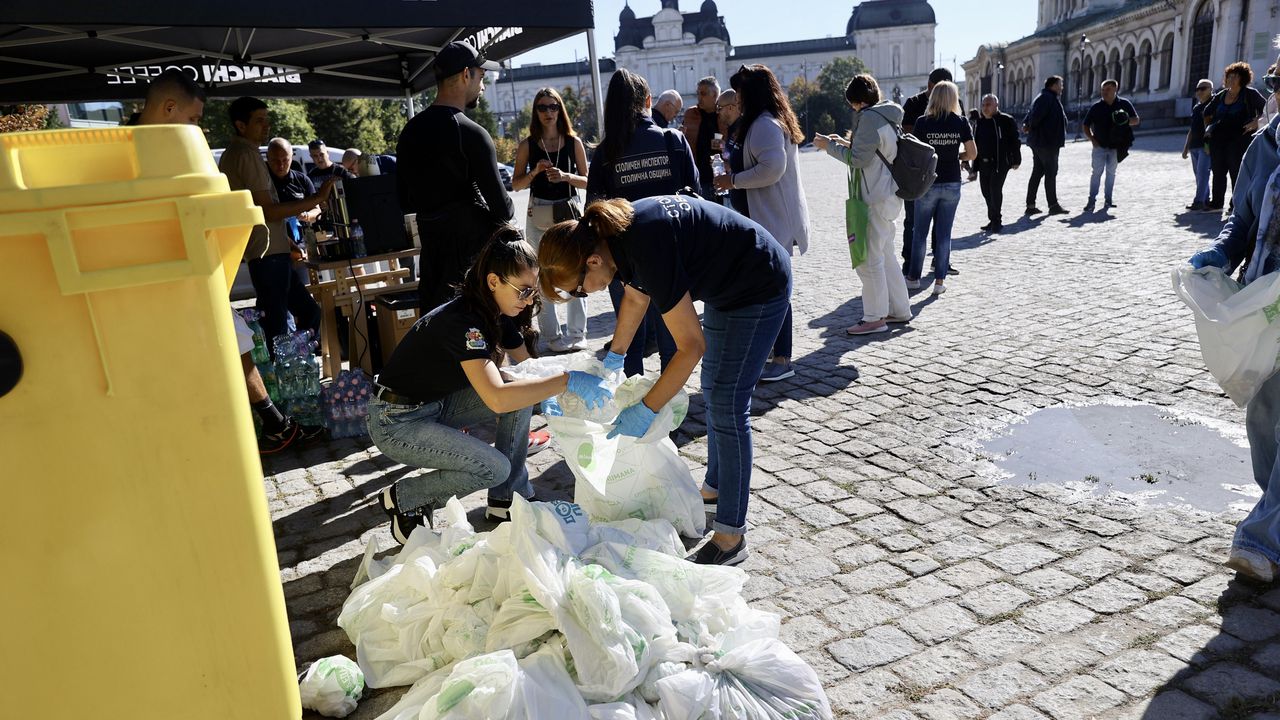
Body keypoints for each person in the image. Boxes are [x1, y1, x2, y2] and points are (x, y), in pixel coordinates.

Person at [537, 196, 791, 566]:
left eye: (578, 289)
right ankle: (715, 491)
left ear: (592, 261)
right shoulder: (617, 239)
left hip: (758, 283)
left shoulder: (643, 244)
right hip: (728, 285)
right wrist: (615, 358)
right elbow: (636, 300)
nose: (583, 294)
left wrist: (646, 408)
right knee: (717, 391)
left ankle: (731, 537)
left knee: (729, 404)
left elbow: (689, 346)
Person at [370, 231, 612, 540]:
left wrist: (545, 386)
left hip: (432, 405)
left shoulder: (489, 309)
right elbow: (497, 399)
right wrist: (565, 382)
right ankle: (405, 497)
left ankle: (506, 498)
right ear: (494, 281)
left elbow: (520, 373)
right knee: (494, 467)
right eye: (523, 291)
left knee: (521, 388)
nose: (529, 300)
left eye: (532, 292)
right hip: (395, 421)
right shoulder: (466, 323)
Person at [136, 71, 321, 453]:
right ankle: (263, 422)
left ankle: (269, 421)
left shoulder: (171, 150)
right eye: (193, 119)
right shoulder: (134, 148)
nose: (196, 129)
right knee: (241, 333)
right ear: (169, 108)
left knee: (236, 334)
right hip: (156, 276)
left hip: (187, 267)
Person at [1186, 111, 1280, 582]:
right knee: (1263, 416)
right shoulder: (1264, 146)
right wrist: (1222, 251)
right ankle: (1274, 508)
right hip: (1264, 302)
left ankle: (1263, 537)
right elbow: (1240, 218)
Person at [586, 68, 697, 377]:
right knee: (672, 342)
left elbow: (592, 212)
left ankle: (632, 409)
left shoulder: (605, 153)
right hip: (670, 258)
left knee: (628, 342)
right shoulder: (673, 140)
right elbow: (695, 201)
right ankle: (670, 413)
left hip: (623, 261)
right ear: (648, 101)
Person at [396, 40, 514, 312]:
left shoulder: (411, 131)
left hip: (432, 260)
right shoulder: (471, 133)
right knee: (480, 340)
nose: (483, 86)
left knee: (438, 338)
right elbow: (502, 208)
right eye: (481, 77)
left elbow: (405, 200)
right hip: (470, 266)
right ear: (465, 74)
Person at [713, 64, 808, 383]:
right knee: (766, 288)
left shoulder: (765, 124)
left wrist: (733, 180)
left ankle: (782, 358)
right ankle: (772, 351)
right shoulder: (760, 122)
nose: (736, 99)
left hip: (772, 221)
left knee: (775, 290)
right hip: (763, 219)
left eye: (739, 93)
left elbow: (772, 169)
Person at [218, 96, 334, 350]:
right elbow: (269, 211)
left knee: (306, 314)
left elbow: (264, 213)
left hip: (272, 252)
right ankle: (286, 378)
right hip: (266, 255)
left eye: (267, 120)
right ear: (240, 125)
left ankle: (296, 368)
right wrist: (316, 198)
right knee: (278, 330)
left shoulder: (242, 153)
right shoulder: (244, 154)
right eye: (259, 121)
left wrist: (288, 241)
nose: (266, 125)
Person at [813, 73, 912, 336]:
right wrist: (842, 143)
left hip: (875, 196)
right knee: (887, 254)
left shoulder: (869, 118)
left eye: (852, 104)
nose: (852, 109)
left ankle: (874, 317)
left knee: (870, 259)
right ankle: (900, 309)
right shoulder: (887, 115)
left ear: (857, 101)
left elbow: (858, 160)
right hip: (888, 193)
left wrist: (827, 147)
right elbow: (874, 152)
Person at [512, 87, 590, 353]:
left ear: (560, 109)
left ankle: (577, 333)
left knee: (578, 269)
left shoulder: (573, 142)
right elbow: (516, 185)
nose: (548, 112)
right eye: (542, 107)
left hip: (568, 211)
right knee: (542, 273)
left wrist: (566, 176)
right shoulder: (528, 144)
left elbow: (588, 179)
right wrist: (535, 172)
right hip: (539, 213)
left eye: (553, 106)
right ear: (535, 111)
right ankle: (552, 337)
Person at [908, 81, 975, 296]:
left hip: (928, 182)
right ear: (954, 98)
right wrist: (957, 156)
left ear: (933, 98)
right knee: (944, 234)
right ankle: (939, 281)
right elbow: (972, 153)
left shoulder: (922, 123)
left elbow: (916, 153)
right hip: (952, 182)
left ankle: (914, 278)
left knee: (920, 233)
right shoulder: (961, 122)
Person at [902, 68, 958, 274]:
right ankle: (909, 262)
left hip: (945, 173)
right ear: (930, 86)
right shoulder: (914, 104)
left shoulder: (954, 104)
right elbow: (905, 136)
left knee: (942, 224)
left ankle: (940, 261)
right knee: (913, 222)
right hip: (916, 173)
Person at [1204, 62, 1268, 212]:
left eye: (1235, 76)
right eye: (1229, 76)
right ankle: (1217, 203)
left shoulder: (1250, 94)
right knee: (1218, 172)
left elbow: (1268, 110)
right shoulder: (1220, 95)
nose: (1231, 79)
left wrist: (1256, 122)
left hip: (1239, 140)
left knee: (1237, 172)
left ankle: (1236, 203)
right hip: (1218, 141)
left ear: (1243, 78)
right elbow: (1206, 112)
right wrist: (1208, 129)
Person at [1082, 79, 1140, 212]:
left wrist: (1125, 119)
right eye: (1102, 90)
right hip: (1099, 146)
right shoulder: (1096, 107)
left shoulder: (1124, 104)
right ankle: (1091, 201)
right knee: (1096, 173)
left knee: (1111, 173)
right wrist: (1092, 139)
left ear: (1115, 89)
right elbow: (1085, 124)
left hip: (1116, 146)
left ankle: (1108, 200)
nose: (1104, 92)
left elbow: (1136, 120)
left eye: (1107, 90)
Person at [973, 94, 1021, 232]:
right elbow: (975, 144)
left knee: (995, 190)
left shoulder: (1006, 120)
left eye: (988, 104)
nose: (985, 108)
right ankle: (992, 218)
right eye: (983, 105)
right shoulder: (979, 122)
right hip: (983, 163)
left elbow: (1015, 140)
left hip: (1000, 163)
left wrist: (1016, 159)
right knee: (986, 191)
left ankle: (997, 221)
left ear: (996, 105)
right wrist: (973, 167)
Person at [1023, 75, 1069, 216]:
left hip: (1043, 142)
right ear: (1053, 85)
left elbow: (1031, 116)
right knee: (1050, 172)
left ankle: (1030, 205)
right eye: (1060, 84)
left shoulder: (1047, 97)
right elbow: (1035, 117)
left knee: (1038, 172)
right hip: (1046, 143)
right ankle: (1053, 205)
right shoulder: (1046, 98)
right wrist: (1030, 125)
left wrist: (1028, 125)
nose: (1062, 87)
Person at [682, 76, 721, 199]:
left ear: (714, 95)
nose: (699, 98)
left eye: (703, 94)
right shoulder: (691, 114)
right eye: (698, 94)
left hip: (721, 176)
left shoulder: (724, 114)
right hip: (697, 176)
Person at [1183, 79, 1215, 212]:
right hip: (1194, 146)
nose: (1200, 91)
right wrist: (1186, 148)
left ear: (1210, 89)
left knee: (1203, 173)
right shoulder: (1196, 108)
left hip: (1205, 146)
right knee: (1198, 174)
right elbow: (1192, 129)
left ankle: (1199, 201)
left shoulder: (1213, 104)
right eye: (1198, 89)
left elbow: (1211, 128)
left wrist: (1208, 147)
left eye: (1203, 88)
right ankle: (1205, 199)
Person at [715, 89, 745, 213]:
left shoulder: (743, 128)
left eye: (719, 108)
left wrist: (727, 164)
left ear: (731, 108)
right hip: (733, 193)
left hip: (743, 196)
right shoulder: (732, 129)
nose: (718, 112)